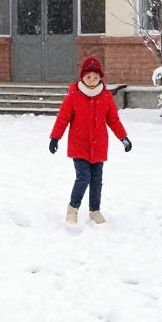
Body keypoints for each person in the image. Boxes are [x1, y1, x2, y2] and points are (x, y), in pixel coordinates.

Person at [49, 55, 132, 225]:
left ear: (100, 77)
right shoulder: (74, 95)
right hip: (79, 145)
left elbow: (113, 120)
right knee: (83, 177)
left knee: (96, 180)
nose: (92, 81)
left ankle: (95, 210)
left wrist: (123, 137)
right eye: (88, 77)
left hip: (99, 146)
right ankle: (73, 209)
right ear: (82, 77)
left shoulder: (106, 96)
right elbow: (62, 118)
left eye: (95, 77)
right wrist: (55, 138)